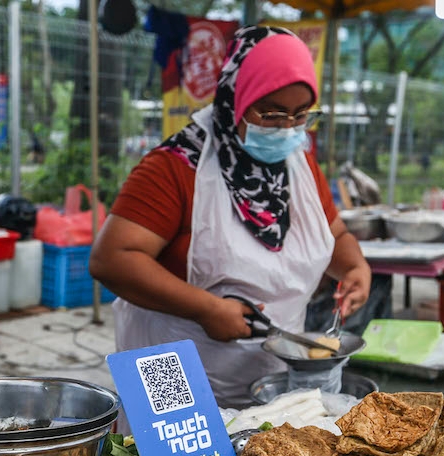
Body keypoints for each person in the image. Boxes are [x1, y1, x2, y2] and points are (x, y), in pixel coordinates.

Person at [89, 26, 371, 407]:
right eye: (271, 114)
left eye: (301, 116)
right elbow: (112, 260)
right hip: (170, 376)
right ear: (237, 97)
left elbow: (334, 235)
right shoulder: (174, 166)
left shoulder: (300, 165)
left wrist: (355, 267)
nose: (288, 128)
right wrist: (206, 308)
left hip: (274, 382)